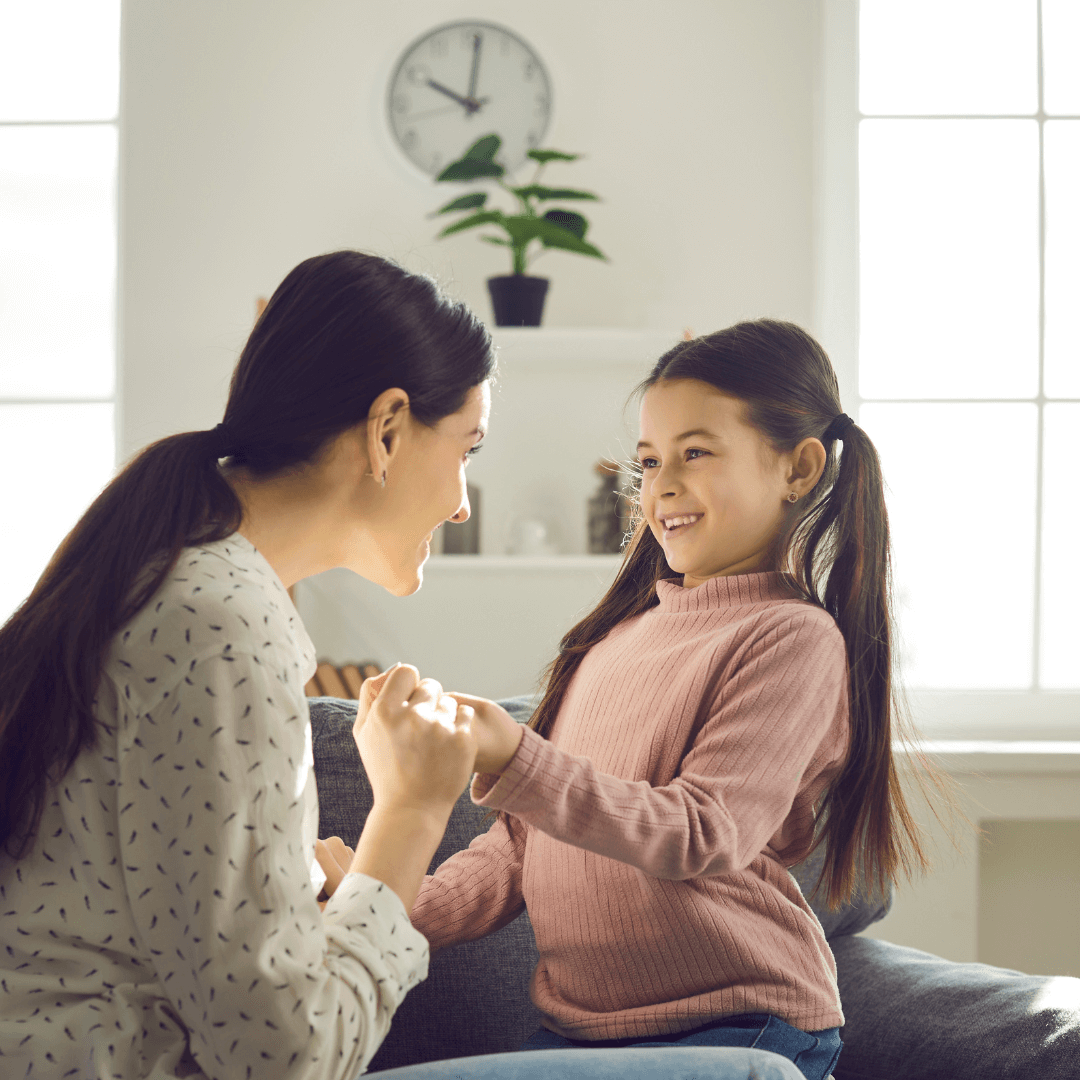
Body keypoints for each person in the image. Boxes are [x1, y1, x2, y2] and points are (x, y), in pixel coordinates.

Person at [0, 252, 806, 1080]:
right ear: (387, 431)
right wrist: (412, 809)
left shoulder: (184, 583)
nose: (462, 500)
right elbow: (284, 1057)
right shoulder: (222, 625)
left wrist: (365, 885)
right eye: (468, 447)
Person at [333, 319, 934, 1080]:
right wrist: (374, 898)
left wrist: (517, 755)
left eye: (696, 453)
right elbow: (520, 849)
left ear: (800, 469)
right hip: (578, 1035)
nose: (663, 486)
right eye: (649, 461)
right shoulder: (613, 641)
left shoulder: (792, 638)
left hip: (740, 1027)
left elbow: (702, 832)